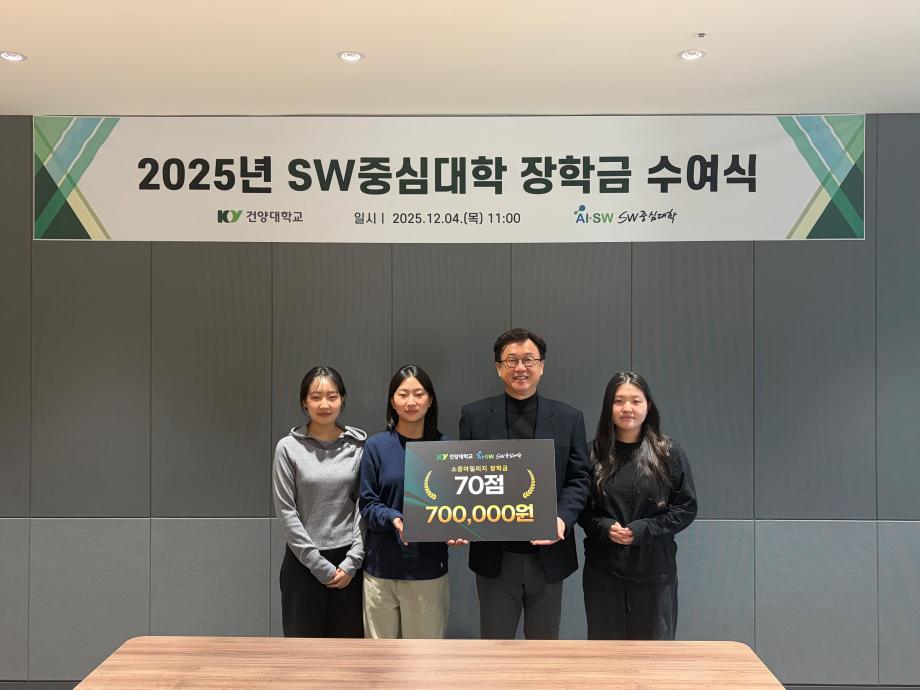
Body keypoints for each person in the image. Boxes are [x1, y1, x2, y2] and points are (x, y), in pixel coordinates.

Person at [459, 328, 590, 639]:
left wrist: (562, 519)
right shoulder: (474, 416)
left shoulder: (569, 418)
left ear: (541, 366)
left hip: (549, 556)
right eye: (512, 360)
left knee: (544, 652)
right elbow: (464, 477)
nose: (521, 367)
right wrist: (457, 520)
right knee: (495, 648)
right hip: (494, 556)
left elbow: (580, 478)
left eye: (529, 359)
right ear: (498, 367)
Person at [579, 370, 697, 640]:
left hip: (655, 569)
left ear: (648, 406)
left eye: (635, 401)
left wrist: (644, 529)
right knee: (605, 652)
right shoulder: (592, 453)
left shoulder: (669, 452)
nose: (627, 408)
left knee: (654, 655)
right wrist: (604, 527)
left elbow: (686, 508)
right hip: (603, 571)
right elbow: (582, 509)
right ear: (608, 406)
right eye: (619, 401)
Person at [272, 366, 367, 637]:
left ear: (342, 399)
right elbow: (286, 512)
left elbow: (363, 507)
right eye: (316, 397)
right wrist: (318, 564)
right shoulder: (288, 448)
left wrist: (352, 561)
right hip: (302, 565)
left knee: (348, 655)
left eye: (332, 396)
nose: (324, 404)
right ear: (304, 401)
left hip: (348, 566)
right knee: (303, 654)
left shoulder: (359, 446)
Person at [359, 364, 452, 638]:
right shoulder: (376, 446)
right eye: (403, 394)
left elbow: (455, 507)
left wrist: (459, 528)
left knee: (424, 658)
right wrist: (393, 518)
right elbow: (368, 504)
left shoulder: (446, 448)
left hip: (427, 570)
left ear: (430, 400)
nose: (411, 402)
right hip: (380, 571)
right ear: (392, 401)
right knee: (379, 658)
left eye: (419, 394)